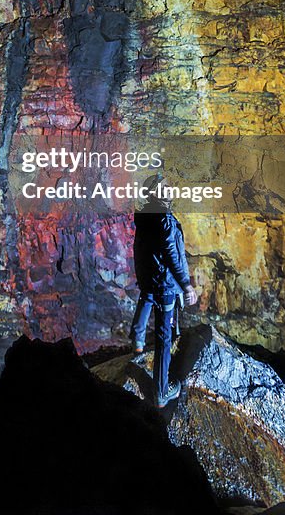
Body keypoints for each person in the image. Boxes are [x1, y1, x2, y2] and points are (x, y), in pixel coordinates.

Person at [130, 174, 197, 408]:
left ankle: (137, 339)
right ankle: (162, 391)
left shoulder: (146, 216)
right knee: (164, 338)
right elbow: (172, 255)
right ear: (156, 193)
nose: (170, 190)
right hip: (165, 284)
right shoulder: (164, 220)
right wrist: (186, 284)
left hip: (153, 279)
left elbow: (141, 251)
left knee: (153, 314)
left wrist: (144, 279)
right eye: (165, 187)